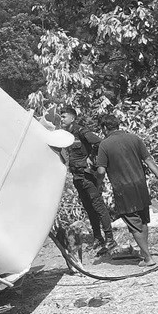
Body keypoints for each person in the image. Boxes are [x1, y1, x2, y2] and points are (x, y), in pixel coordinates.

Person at [95, 114, 158, 266]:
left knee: (134, 224)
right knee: (143, 220)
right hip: (140, 186)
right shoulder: (134, 138)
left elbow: (100, 171)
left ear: (105, 128)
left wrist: (98, 186)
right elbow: (148, 160)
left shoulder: (104, 145)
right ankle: (145, 252)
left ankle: (147, 258)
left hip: (123, 189)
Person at [59, 106, 116, 255]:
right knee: (89, 209)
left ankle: (109, 239)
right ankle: (98, 238)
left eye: (64, 116)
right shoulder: (65, 135)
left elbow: (100, 143)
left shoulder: (81, 131)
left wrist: (93, 158)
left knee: (98, 207)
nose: (61, 119)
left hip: (88, 176)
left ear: (72, 118)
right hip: (77, 177)